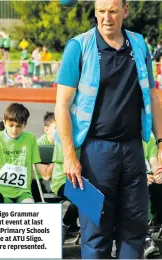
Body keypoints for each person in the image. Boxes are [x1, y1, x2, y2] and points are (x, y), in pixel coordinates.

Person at [55, 0, 162, 258]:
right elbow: (61, 105)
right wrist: (69, 156)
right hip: (94, 152)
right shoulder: (77, 47)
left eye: (113, 11)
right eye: (101, 11)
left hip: (133, 151)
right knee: (95, 230)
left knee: (134, 228)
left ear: (125, 11)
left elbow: (153, 95)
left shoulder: (139, 44)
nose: (106, 18)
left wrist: (160, 142)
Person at [0, 103, 53, 203]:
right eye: (11, 125)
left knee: (29, 207)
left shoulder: (30, 139)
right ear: (4, 123)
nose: (14, 130)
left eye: (19, 126)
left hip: (22, 191)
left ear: (25, 125)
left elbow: (37, 164)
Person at [143, 133, 162, 258]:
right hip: (132, 181)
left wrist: (158, 172)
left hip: (149, 180)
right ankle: (144, 238)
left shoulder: (148, 138)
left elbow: (153, 161)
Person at [32, 111, 56, 202]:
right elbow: (46, 175)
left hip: (59, 179)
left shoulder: (67, 143)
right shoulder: (38, 146)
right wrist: (62, 154)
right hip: (39, 183)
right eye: (56, 128)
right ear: (46, 130)